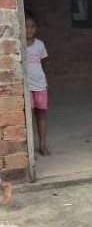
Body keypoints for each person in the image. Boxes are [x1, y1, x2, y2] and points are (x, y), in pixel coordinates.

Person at [25, 11, 51, 156]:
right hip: (27, 87)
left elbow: (44, 64)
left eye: (32, 26)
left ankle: (42, 144)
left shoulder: (40, 45)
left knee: (41, 114)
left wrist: (45, 81)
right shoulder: (19, 45)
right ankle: (28, 148)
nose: (29, 30)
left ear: (36, 28)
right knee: (28, 116)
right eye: (26, 26)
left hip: (40, 85)